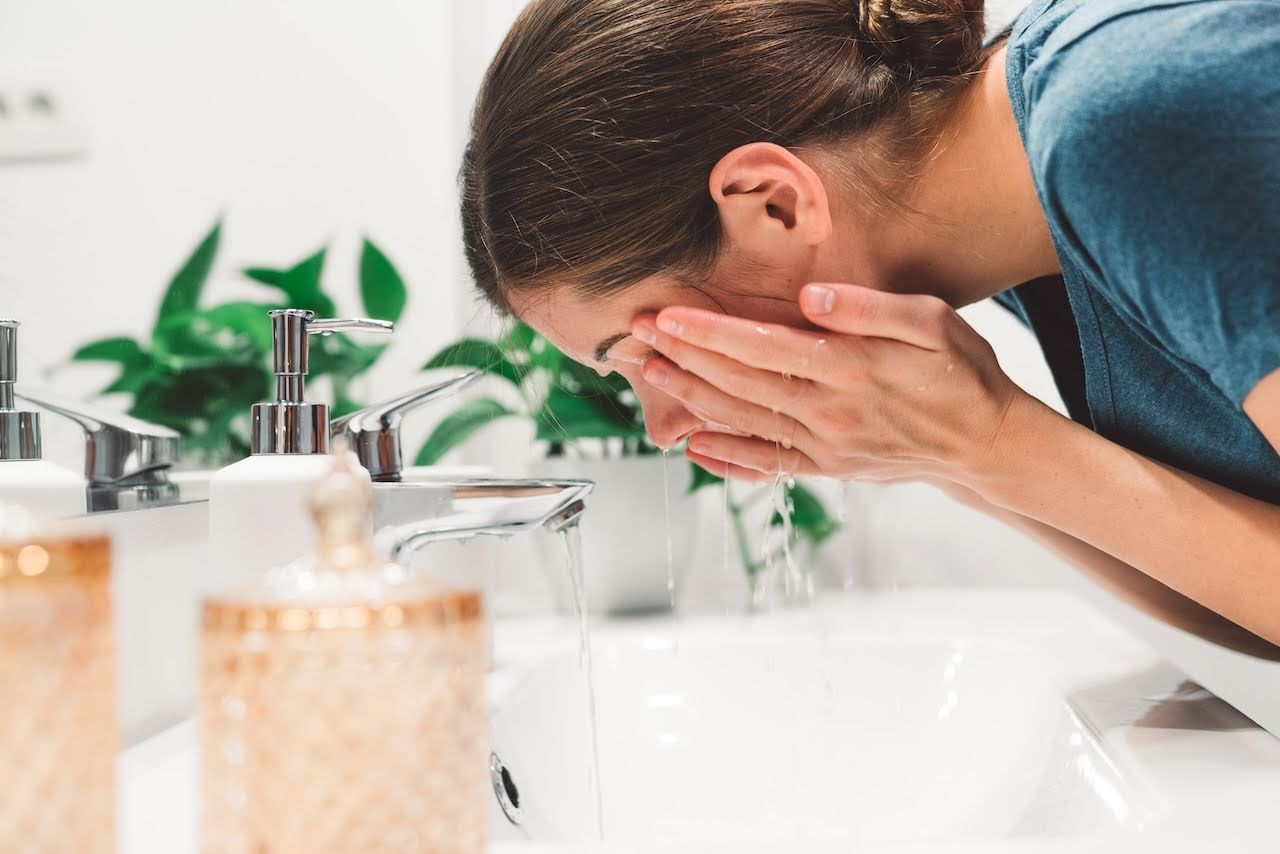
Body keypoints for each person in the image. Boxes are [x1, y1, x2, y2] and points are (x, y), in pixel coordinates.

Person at [458, 0, 1280, 648]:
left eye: (642, 352)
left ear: (774, 205)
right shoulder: (1024, 231)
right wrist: (957, 455)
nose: (666, 424)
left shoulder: (1136, 117)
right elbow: (1239, 605)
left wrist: (994, 442)